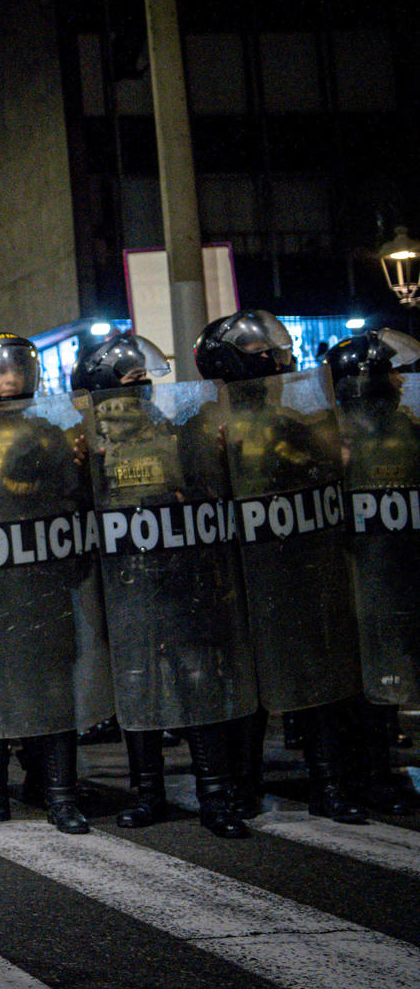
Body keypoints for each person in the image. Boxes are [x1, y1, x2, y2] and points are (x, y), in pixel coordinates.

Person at [74, 332, 253, 838]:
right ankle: (148, 793)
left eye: (145, 381)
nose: (144, 389)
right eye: (133, 381)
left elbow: (207, 492)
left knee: (196, 676)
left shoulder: (174, 434)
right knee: (136, 681)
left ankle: (215, 794)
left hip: (179, 575)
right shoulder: (86, 446)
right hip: (123, 581)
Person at [196, 310, 366, 822]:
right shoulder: (202, 427)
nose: (275, 359)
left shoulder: (294, 420)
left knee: (312, 677)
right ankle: (241, 786)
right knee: (246, 685)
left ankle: (329, 783)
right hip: (237, 573)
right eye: (261, 353)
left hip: (295, 565)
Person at [0, 333, 92, 834]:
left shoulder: (50, 434)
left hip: (39, 578)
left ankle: (59, 793)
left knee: (52, 684)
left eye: (16, 368)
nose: (9, 377)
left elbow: (74, 505)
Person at [326, 328, 420, 814]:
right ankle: (363, 774)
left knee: (390, 676)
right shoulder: (336, 432)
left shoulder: (403, 426)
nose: (402, 382)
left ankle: (383, 770)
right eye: (392, 372)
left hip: (396, 565)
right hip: (354, 568)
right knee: (361, 679)